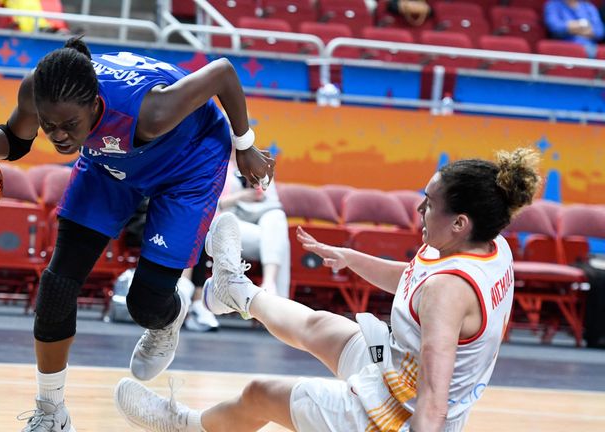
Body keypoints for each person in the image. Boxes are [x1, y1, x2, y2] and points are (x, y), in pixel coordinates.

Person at [0, 37, 274, 432]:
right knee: (57, 284)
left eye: (70, 126)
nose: (58, 137)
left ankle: (168, 319)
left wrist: (245, 145)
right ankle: (52, 414)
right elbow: (16, 139)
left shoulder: (152, 110)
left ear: (94, 105)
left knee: (145, 303)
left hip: (188, 163)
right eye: (49, 126)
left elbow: (222, 72)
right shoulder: (41, 88)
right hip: (109, 163)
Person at [115, 148, 542, 432]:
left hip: (395, 416)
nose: (420, 208)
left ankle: (184, 423)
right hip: (397, 366)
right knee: (317, 324)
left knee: (260, 394)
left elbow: (434, 397)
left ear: (460, 222)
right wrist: (353, 258)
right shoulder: (488, 244)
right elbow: (413, 282)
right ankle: (235, 289)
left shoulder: (450, 291)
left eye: (429, 203)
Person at [216, 154, 289, 297]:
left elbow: (274, 203)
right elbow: (213, 205)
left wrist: (260, 190)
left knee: (277, 218)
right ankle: (278, 300)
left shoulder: (259, 161)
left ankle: (269, 283)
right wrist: (239, 196)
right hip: (230, 218)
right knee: (281, 243)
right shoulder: (218, 162)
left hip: (262, 216)